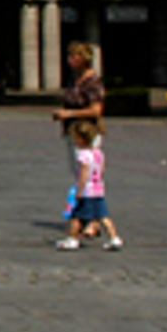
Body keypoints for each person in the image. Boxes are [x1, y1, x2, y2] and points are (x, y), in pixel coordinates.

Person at [52, 41, 106, 217]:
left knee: (88, 176)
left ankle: (92, 218)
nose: (69, 60)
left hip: (87, 133)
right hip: (74, 132)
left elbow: (96, 110)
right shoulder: (76, 79)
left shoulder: (92, 81)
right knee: (79, 174)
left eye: (73, 56)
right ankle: (89, 216)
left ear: (83, 59)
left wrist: (69, 114)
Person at [56, 119, 121, 250]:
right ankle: (115, 238)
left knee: (76, 217)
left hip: (87, 191)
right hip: (98, 189)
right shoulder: (98, 153)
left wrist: (79, 190)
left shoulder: (84, 155)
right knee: (103, 216)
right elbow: (102, 169)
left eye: (75, 138)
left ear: (81, 139)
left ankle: (72, 239)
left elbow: (84, 174)